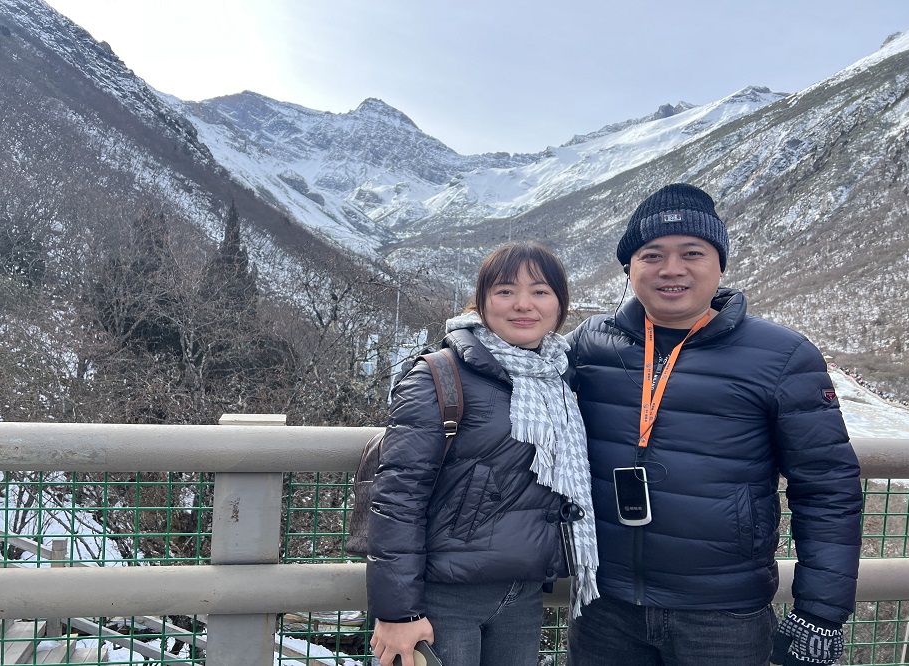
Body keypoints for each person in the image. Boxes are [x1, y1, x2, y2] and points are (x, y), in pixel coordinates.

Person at [565, 183, 863, 666]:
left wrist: (821, 612)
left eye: (692, 253)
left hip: (724, 614)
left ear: (719, 264)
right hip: (604, 604)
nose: (672, 269)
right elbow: (514, 389)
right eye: (652, 255)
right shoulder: (590, 343)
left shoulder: (783, 355)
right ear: (629, 268)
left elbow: (827, 486)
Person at [367, 241, 600, 666]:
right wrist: (398, 612)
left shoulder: (560, 379)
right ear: (482, 301)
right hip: (445, 597)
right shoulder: (440, 375)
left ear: (560, 304)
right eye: (506, 291)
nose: (523, 305)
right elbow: (398, 497)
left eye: (541, 291)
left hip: (524, 593)